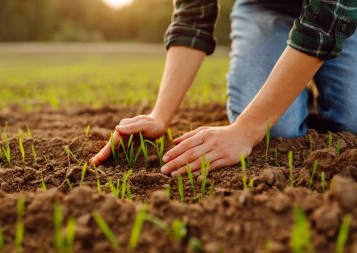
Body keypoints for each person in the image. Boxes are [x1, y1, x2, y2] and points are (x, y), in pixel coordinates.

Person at [90, 0, 357, 176]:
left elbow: (323, 25)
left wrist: (246, 128)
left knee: (353, 121)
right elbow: (193, 17)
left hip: (344, 12)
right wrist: (160, 115)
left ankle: (297, 82)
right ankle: (293, 90)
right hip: (267, 9)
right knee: (276, 131)